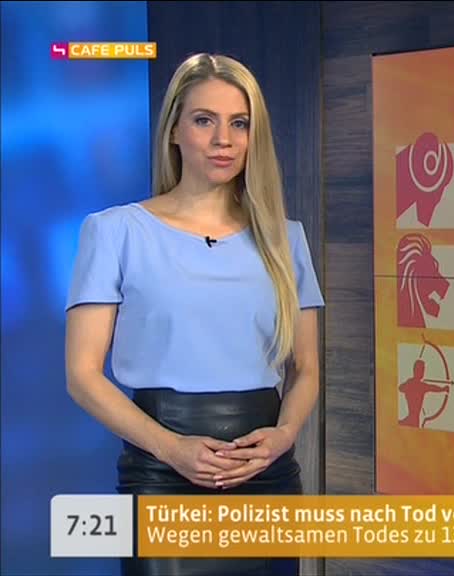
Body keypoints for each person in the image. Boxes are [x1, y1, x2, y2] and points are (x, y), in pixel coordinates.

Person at [64, 53, 323, 576]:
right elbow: (82, 376)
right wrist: (172, 449)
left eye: (239, 123)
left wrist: (284, 434)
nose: (223, 139)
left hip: (266, 474)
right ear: (174, 131)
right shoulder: (115, 232)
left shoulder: (285, 239)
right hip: (163, 474)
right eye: (205, 120)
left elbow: (307, 369)